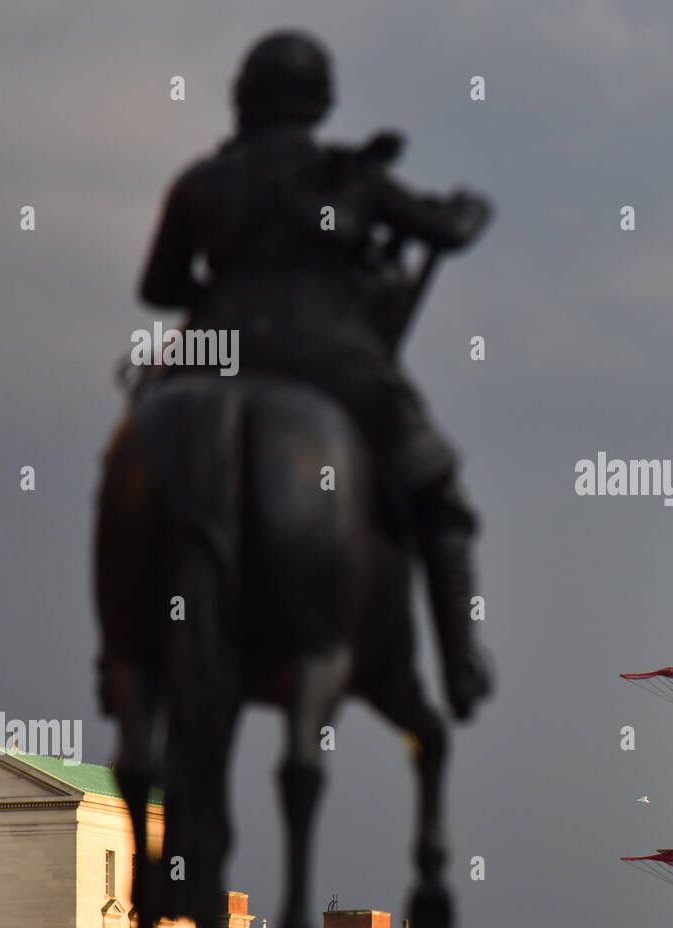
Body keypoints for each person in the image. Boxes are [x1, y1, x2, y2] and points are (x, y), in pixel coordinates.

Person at [135, 29, 491, 716]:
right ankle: (461, 664)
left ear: (245, 96)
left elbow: (157, 286)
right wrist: (469, 209)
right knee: (437, 493)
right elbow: (445, 230)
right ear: (319, 101)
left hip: (212, 358)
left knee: (136, 471)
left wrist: (221, 293)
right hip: (330, 361)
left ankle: (120, 655)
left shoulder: (201, 182)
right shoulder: (346, 177)